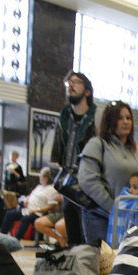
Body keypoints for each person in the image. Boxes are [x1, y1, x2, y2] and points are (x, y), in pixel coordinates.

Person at [76, 100, 138, 243]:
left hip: (132, 219)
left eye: (128, 118)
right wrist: (111, 206)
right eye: (120, 118)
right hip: (101, 215)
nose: (126, 122)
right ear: (110, 121)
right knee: (104, 263)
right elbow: (87, 180)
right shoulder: (97, 144)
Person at [51, 71, 96, 245]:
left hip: (87, 186)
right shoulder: (64, 118)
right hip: (68, 187)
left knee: (89, 240)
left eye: (77, 82)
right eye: (69, 82)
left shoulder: (94, 119)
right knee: (73, 239)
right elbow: (59, 155)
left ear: (87, 91)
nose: (71, 85)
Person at [0, 166, 61, 240]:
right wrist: (27, 199)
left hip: (37, 213)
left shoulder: (51, 189)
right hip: (28, 210)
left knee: (26, 219)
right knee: (9, 214)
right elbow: (30, 195)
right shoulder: (39, 187)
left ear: (45, 178)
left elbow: (51, 206)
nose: (39, 178)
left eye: (41, 176)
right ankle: (1, 237)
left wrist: (36, 210)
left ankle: (15, 240)